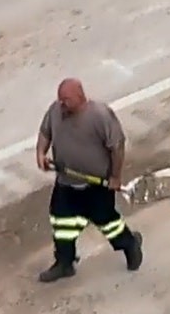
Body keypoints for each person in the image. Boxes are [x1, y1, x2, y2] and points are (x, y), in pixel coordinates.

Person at [35, 78, 143, 283]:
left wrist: (115, 177)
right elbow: (45, 132)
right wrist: (41, 153)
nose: (61, 103)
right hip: (66, 183)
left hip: (96, 186)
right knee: (61, 222)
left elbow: (117, 146)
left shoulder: (100, 115)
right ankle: (64, 263)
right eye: (59, 99)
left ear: (80, 96)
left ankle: (130, 244)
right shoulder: (55, 111)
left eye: (66, 99)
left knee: (108, 223)